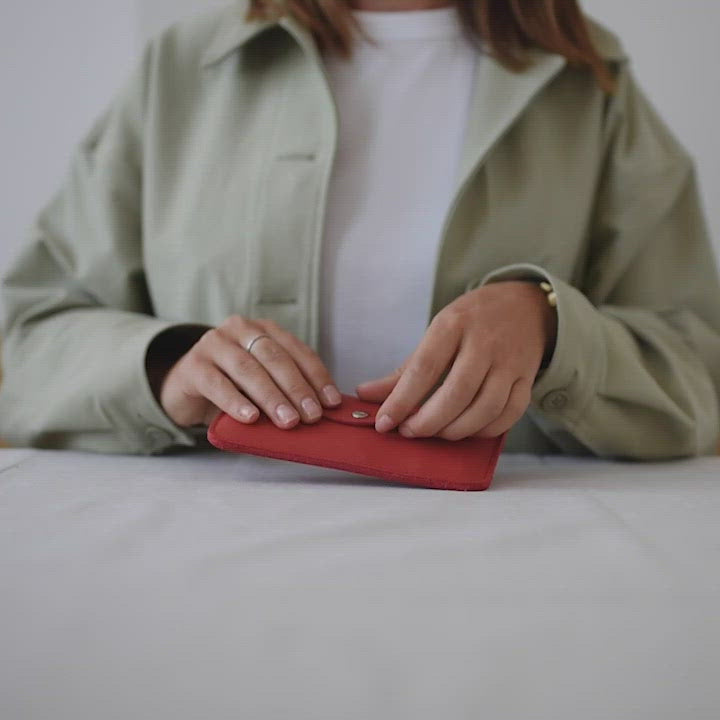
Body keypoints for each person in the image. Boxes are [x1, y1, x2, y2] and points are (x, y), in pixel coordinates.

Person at [1, 0, 719, 459]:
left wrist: (551, 328)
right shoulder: (183, 69)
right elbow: (29, 335)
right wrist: (165, 367)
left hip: (508, 568)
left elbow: (698, 365)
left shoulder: (588, 81)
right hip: (207, 563)